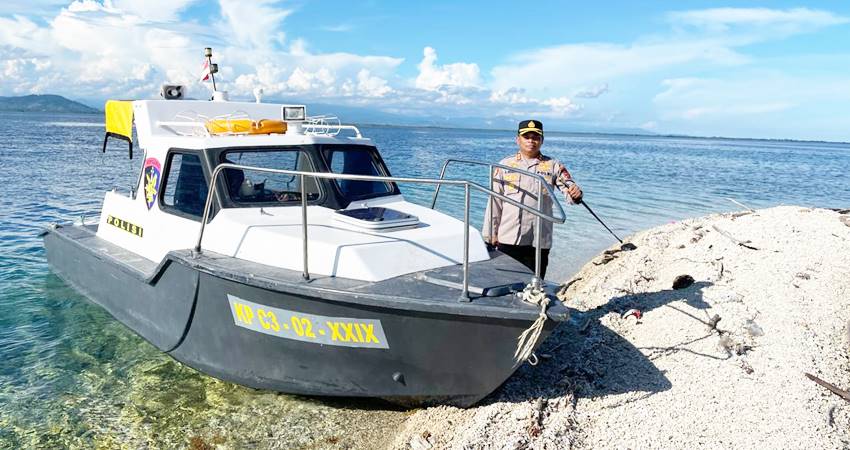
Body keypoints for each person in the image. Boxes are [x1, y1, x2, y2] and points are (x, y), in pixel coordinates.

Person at [482, 120, 583, 278]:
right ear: (518, 139)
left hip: (539, 240)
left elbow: (569, 190)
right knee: (504, 283)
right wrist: (490, 234)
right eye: (526, 137)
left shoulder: (553, 166)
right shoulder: (504, 165)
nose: (531, 141)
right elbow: (494, 203)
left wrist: (576, 194)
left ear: (542, 140)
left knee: (535, 285)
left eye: (535, 137)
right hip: (508, 237)